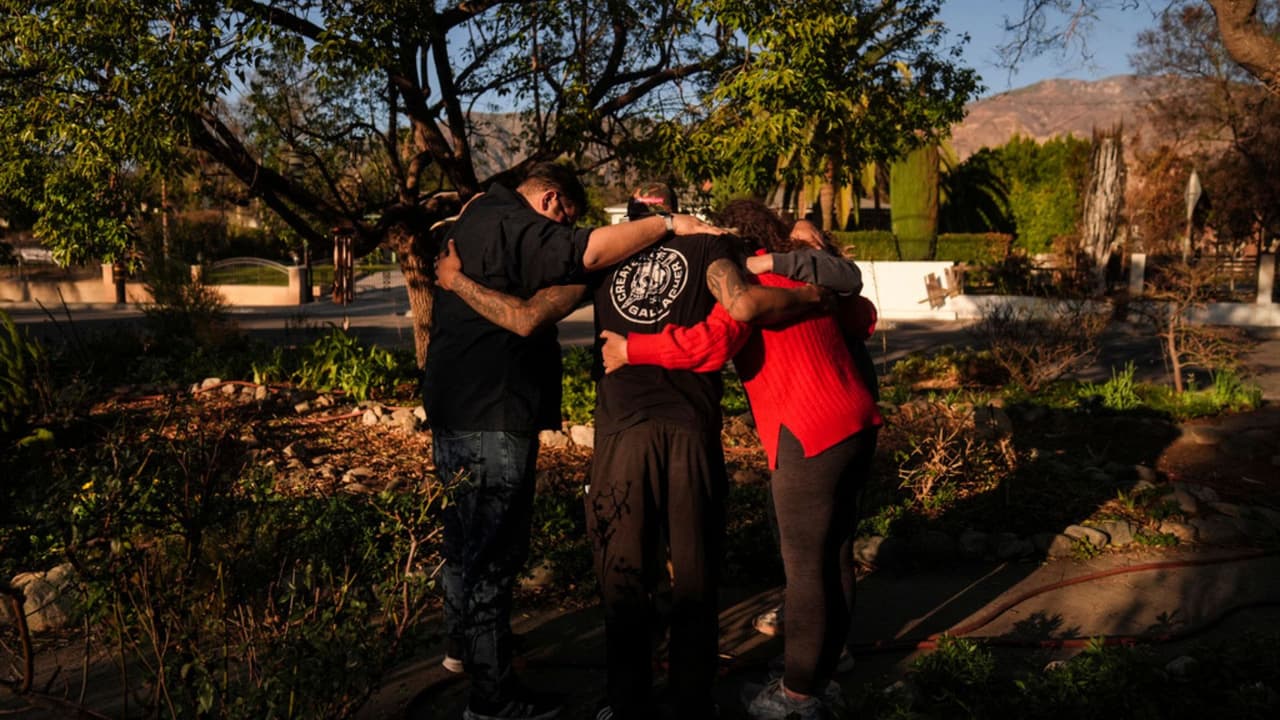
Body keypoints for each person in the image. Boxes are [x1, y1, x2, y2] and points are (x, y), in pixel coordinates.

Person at [433, 183, 825, 720]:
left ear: (634, 217)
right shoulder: (711, 249)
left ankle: (626, 703)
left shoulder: (601, 265)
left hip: (622, 432)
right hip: (689, 427)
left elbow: (526, 317)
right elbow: (739, 303)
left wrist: (454, 281)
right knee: (695, 572)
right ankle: (691, 701)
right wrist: (808, 281)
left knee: (623, 574)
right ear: (682, 215)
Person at [599, 199, 881, 720]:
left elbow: (707, 346)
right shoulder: (805, 277)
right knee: (837, 555)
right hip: (858, 422)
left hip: (806, 433)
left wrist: (629, 351)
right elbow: (863, 317)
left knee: (804, 572)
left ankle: (796, 696)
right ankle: (824, 671)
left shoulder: (746, 287)